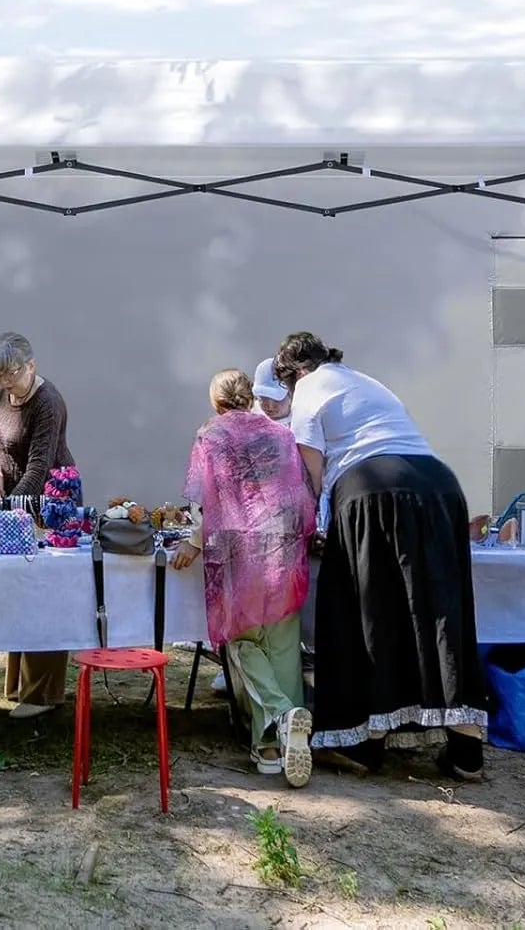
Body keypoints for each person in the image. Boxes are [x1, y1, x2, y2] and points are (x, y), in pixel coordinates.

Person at [273, 331, 486, 780]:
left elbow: (310, 474)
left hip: (372, 488)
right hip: (439, 486)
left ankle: (365, 742)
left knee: (367, 609)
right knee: (440, 610)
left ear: (293, 375)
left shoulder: (310, 392)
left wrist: (306, 529)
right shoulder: (365, 382)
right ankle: (466, 746)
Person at [174, 369, 315, 784]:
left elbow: (211, 500)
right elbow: (299, 495)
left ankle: (281, 716)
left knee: (240, 640)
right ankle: (270, 747)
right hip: (286, 550)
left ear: (217, 404)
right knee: (284, 650)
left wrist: (194, 543)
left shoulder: (213, 435)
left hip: (242, 556)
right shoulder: (279, 434)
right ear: (251, 398)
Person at [0, 332, 73, 719]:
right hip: (15, 505)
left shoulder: (47, 402)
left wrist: (9, 507)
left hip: (50, 505)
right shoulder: (4, 394)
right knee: (19, 590)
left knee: (45, 593)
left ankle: (41, 693)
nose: (4, 383)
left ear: (31, 366)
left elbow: (40, 464)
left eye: (11, 374)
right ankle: (19, 685)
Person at [252, 358, 292, 424]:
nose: (270, 406)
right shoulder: (250, 415)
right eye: (263, 397)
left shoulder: (304, 419)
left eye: (276, 399)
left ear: (291, 393)